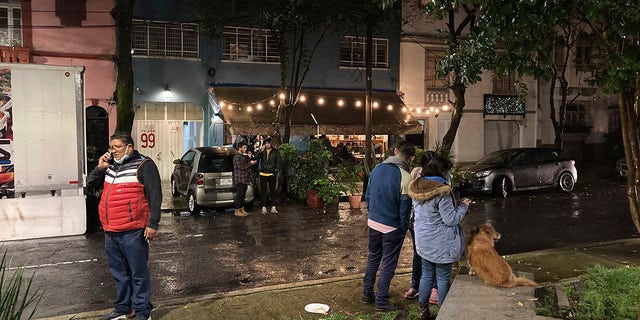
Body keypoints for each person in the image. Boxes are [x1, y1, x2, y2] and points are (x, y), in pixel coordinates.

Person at [87, 132, 162, 320]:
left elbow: (155, 195)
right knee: (119, 273)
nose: (113, 151)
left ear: (129, 146)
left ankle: (143, 311)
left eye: (117, 147)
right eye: (111, 148)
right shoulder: (111, 167)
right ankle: (124, 309)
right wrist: (100, 168)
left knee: (138, 273)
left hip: (134, 230)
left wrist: (153, 224)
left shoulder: (145, 165)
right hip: (111, 230)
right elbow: (90, 184)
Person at [409, 154, 471, 320]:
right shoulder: (442, 191)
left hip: (423, 241)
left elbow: (430, 213)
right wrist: (463, 206)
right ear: (443, 171)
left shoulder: (417, 186)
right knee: (443, 279)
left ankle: (423, 311)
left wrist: (454, 206)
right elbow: (450, 220)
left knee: (426, 276)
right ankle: (445, 314)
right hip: (441, 243)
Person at [361, 140, 415, 311]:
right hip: (392, 226)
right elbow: (404, 208)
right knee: (388, 263)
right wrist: (403, 226)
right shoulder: (406, 177)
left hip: (373, 221)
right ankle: (382, 300)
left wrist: (373, 212)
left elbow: (368, 195)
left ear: (395, 150)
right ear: (411, 158)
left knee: (373, 257)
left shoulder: (377, 169)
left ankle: (367, 293)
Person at [404, 151, 439, 304]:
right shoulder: (420, 174)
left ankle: (424, 287)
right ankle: (426, 287)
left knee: (424, 255)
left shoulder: (416, 173)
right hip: (423, 222)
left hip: (419, 221)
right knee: (428, 255)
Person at [257, 137, 281, 214]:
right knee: (263, 191)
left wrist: (275, 171)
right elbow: (256, 157)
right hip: (263, 174)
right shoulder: (262, 152)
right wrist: (259, 151)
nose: (267, 145)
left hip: (271, 174)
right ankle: (263, 207)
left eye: (268, 143)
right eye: (266, 143)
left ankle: (273, 206)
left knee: (273, 191)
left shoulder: (275, 152)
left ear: (271, 144)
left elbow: (278, 162)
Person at [233, 141, 257, 217]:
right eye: (244, 148)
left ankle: (241, 209)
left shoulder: (242, 156)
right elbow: (241, 167)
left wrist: (249, 158)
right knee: (240, 195)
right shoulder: (237, 157)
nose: (245, 149)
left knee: (243, 195)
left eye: (246, 148)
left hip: (244, 179)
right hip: (240, 179)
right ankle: (237, 210)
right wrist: (250, 163)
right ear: (240, 148)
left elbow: (246, 163)